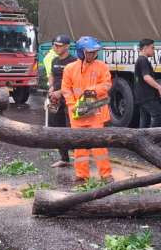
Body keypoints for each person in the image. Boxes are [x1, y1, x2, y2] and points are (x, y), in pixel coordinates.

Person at [61, 36, 112, 182]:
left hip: (96, 112)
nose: (92, 55)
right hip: (77, 113)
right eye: (89, 52)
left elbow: (107, 85)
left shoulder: (102, 67)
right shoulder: (70, 69)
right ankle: (82, 175)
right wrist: (72, 105)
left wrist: (94, 90)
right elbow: (66, 89)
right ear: (81, 52)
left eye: (94, 52)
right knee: (79, 147)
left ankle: (106, 175)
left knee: (99, 146)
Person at [43, 35, 77, 167]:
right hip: (55, 98)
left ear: (67, 46)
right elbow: (52, 74)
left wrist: (60, 92)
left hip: (69, 98)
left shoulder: (73, 62)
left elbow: (74, 82)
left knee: (72, 127)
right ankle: (64, 158)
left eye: (59, 45)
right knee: (55, 126)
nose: (56, 47)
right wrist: (51, 87)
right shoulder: (54, 60)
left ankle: (80, 156)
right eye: (55, 45)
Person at [134, 38, 161, 128]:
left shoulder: (141, 60)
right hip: (146, 96)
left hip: (142, 96)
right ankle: (151, 138)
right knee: (159, 117)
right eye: (152, 48)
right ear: (145, 48)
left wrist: (157, 89)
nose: (154, 50)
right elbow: (147, 77)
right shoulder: (143, 60)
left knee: (145, 120)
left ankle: (141, 140)